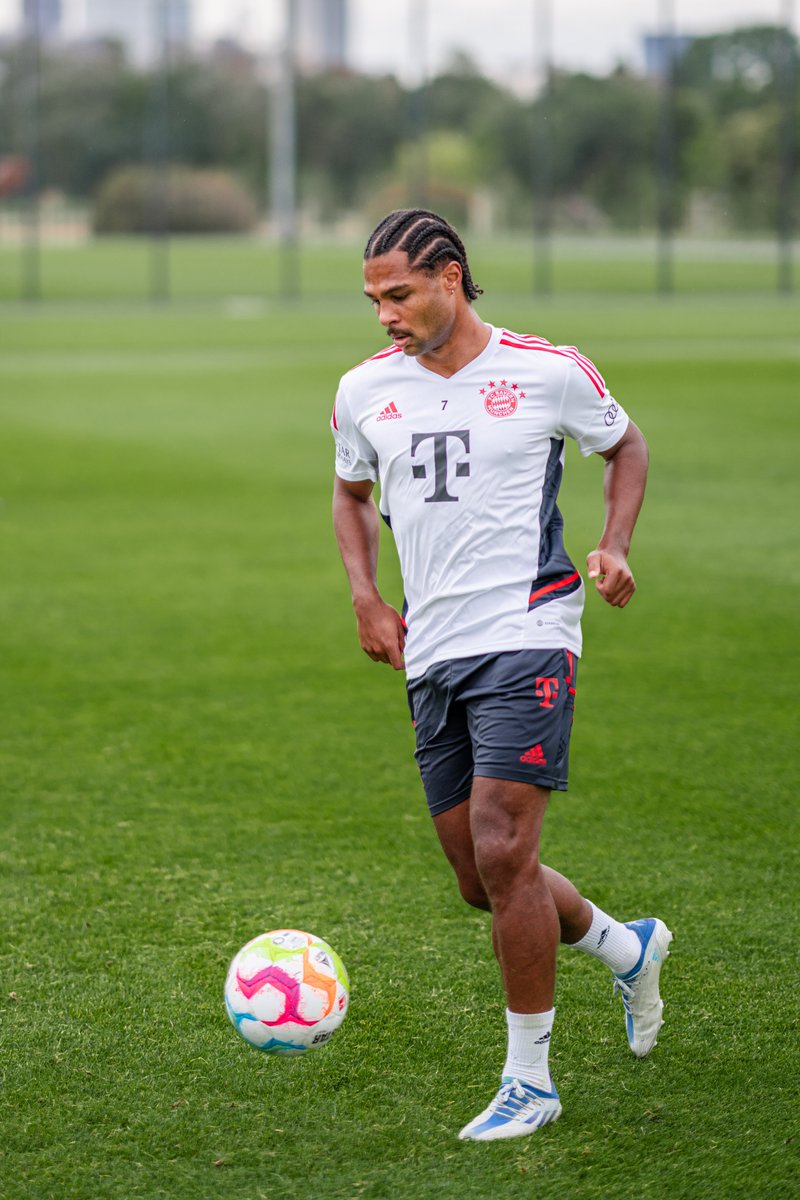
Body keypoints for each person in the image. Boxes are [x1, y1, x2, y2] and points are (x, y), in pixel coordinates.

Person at [331, 209, 672, 1142]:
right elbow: (350, 495)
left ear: (450, 277)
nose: (385, 315)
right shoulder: (362, 391)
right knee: (480, 879)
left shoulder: (548, 369)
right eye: (373, 299)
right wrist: (365, 593)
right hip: (433, 645)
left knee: (503, 843)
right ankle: (625, 944)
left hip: (531, 628)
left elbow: (626, 446)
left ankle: (532, 1078)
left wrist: (614, 543)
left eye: (398, 294)